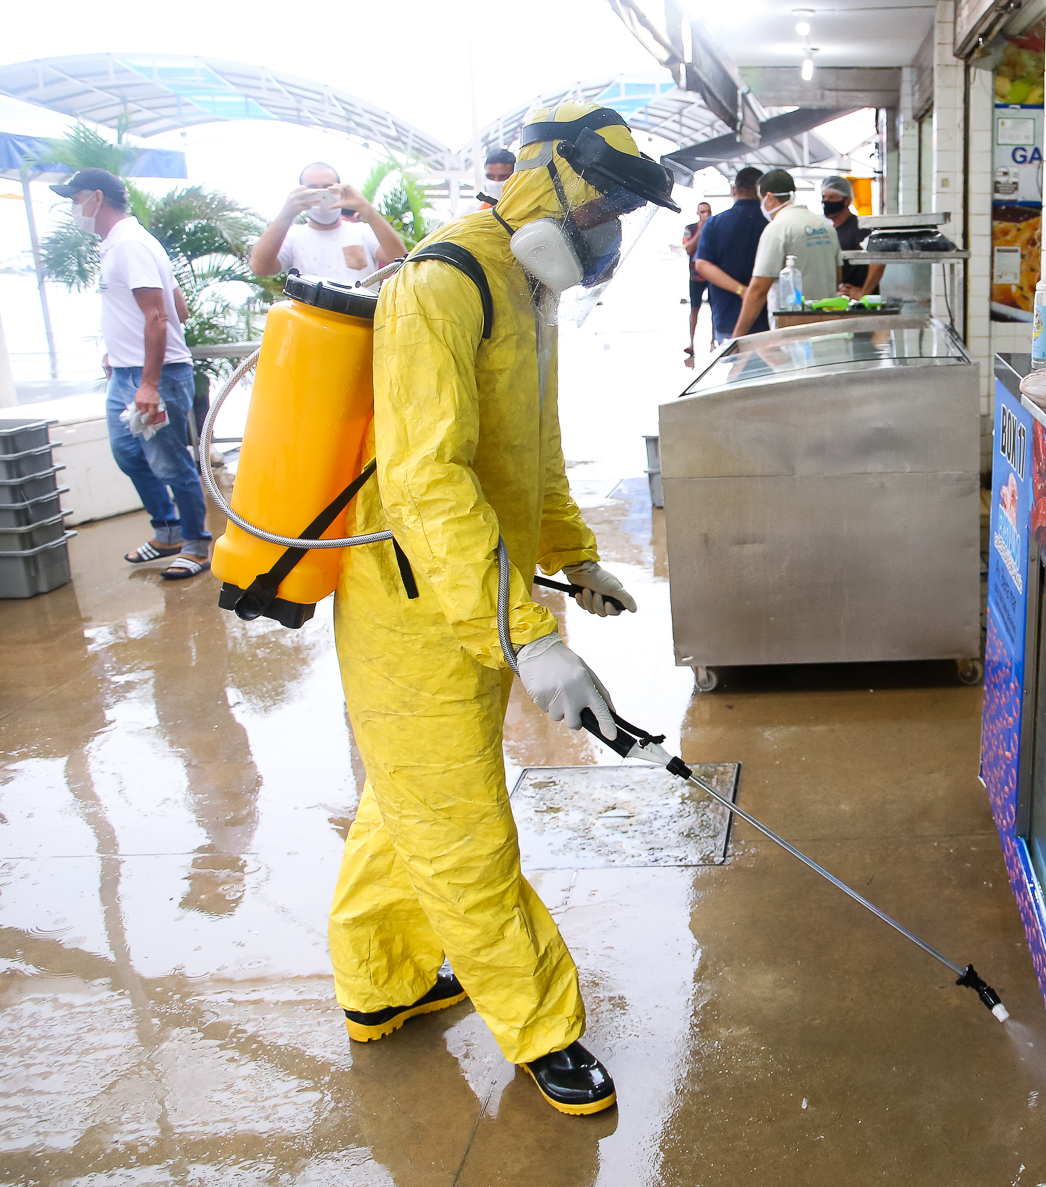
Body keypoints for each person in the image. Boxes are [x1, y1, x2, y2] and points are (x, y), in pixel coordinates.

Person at [325, 99, 677, 1117]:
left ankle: (381, 982)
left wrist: (570, 556)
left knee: (407, 802)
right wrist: (527, 635)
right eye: (601, 198)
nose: (608, 223)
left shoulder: (527, 287)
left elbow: (534, 444)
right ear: (536, 176)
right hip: (415, 606)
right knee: (462, 826)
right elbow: (429, 482)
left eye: (620, 207)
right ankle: (541, 1025)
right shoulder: (443, 281)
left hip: (485, 587)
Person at [53, 168, 212, 581]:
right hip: (125, 371)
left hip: (153, 375)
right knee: (128, 454)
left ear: (97, 198)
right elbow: (179, 308)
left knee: (172, 464)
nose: (73, 208)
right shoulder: (118, 245)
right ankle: (168, 531)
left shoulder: (131, 244)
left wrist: (149, 382)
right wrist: (120, 350)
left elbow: (159, 317)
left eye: (75, 198)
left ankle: (196, 545)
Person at [249, 162, 406, 286]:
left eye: (327, 187)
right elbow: (260, 267)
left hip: (359, 320)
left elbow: (400, 260)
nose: (321, 194)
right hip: (311, 322)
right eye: (312, 189)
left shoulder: (362, 231)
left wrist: (366, 209)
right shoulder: (293, 236)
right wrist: (286, 213)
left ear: (339, 188)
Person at [731, 169, 840, 339]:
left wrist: (736, 339)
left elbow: (759, 289)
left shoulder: (777, 229)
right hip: (827, 326)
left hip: (791, 330)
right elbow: (837, 276)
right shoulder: (825, 225)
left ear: (770, 198)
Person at [691, 166, 768, 343]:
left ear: (734, 190)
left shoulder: (714, 224)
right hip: (766, 316)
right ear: (762, 191)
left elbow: (702, 264)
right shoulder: (771, 223)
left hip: (727, 314)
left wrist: (742, 291)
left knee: (732, 365)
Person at [819, 177, 883, 299]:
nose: (826, 201)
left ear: (847, 200)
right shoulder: (831, 231)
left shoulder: (859, 228)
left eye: (832, 197)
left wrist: (864, 293)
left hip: (860, 304)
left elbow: (878, 260)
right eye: (824, 197)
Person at [681, 201, 711, 357]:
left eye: (707, 212)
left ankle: (713, 342)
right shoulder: (690, 229)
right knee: (694, 308)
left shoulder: (714, 227)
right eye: (702, 212)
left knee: (715, 308)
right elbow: (688, 249)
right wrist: (700, 230)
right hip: (695, 274)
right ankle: (691, 343)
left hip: (712, 274)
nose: (705, 215)